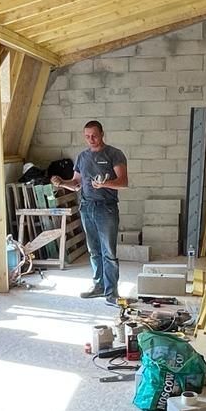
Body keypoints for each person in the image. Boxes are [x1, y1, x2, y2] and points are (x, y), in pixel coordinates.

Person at [52, 119, 128, 304]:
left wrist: (105, 184)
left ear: (102, 134)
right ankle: (99, 286)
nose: (91, 139)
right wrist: (61, 183)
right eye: (87, 136)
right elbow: (76, 184)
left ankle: (112, 292)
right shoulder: (82, 157)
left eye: (94, 135)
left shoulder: (114, 154)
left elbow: (123, 182)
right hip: (86, 207)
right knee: (94, 251)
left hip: (106, 208)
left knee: (108, 251)